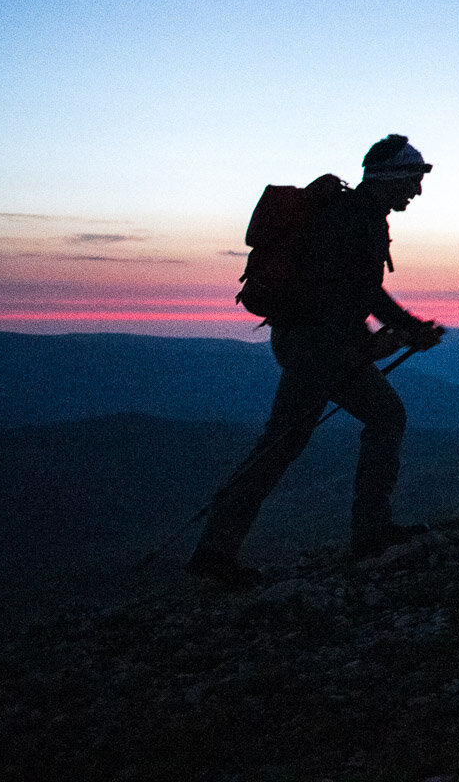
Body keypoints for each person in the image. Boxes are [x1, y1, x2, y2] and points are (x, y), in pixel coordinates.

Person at [186, 134, 445, 589]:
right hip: (317, 346)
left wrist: (407, 327)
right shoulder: (355, 221)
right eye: (411, 181)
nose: (417, 192)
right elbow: (326, 295)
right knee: (384, 417)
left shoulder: (354, 215)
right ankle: (369, 533)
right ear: (388, 178)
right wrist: (368, 347)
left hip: (308, 342)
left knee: (283, 442)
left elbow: (360, 291)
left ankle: (215, 551)